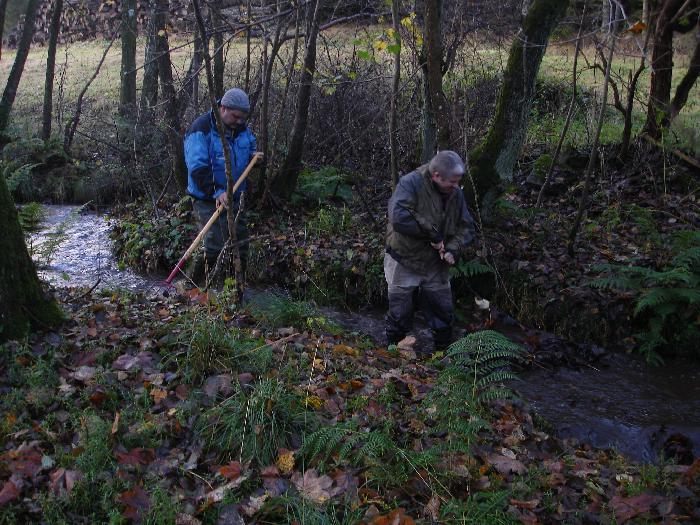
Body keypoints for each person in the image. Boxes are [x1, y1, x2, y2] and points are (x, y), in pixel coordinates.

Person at [385, 150, 475, 350]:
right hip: (404, 258)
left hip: (436, 263)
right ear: (436, 176)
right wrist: (433, 234)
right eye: (452, 182)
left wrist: (453, 249)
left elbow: (467, 227)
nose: (457, 187)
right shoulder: (411, 183)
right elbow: (399, 217)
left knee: (442, 310)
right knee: (399, 312)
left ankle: (443, 355)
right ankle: (393, 353)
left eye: (458, 181)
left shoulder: (455, 193)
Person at [184, 87, 257, 285]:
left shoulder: (241, 128)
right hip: (206, 198)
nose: (240, 122)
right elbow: (197, 168)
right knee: (213, 245)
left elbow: (250, 144)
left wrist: (254, 156)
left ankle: (236, 289)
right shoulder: (201, 129)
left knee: (241, 243)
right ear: (223, 108)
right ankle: (191, 287)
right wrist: (216, 191)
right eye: (236, 117)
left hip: (235, 197)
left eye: (243, 118)